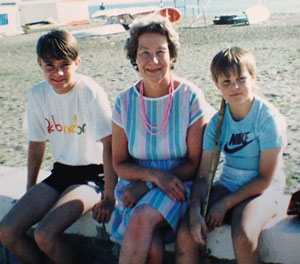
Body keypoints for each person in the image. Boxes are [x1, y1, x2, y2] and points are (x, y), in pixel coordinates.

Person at [0, 29, 117, 264]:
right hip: (61, 171)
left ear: (77, 62)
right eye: (50, 66)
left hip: (94, 175)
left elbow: (110, 145)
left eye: (65, 64)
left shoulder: (90, 92)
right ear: (39, 64)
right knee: (7, 231)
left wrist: (109, 197)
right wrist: (30, 187)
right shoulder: (38, 94)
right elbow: (36, 144)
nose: (58, 72)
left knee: (45, 235)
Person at [110, 14, 214, 264]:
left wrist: (152, 184)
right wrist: (152, 178)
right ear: (134, 57)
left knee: (142, 217)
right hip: (134, 186)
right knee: (153, 248)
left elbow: (195, 163)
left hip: (180, 184)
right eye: (144, 52)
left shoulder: (189, 96)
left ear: (172, 55)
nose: (153, 60)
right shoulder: (124, 102)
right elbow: (120, 164)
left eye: (161, 51)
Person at [175, 46, 286, 264]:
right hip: (229, 183)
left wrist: (224, 204)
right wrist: (196, 212)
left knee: (243, 236)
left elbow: (265, 179)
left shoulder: (267, 118)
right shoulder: (217, 123)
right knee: (185, 233)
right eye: (226, 82)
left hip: (263, 188)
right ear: (217, 85)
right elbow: (203, 177)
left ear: (253, 78)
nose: (234, 86)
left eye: (241, 79)